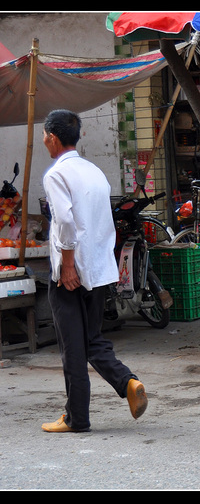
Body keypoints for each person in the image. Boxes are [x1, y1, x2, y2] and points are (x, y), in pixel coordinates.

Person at [40, 109, 147, 433]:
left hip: (72, 271)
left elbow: (66, 222)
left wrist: (69, 264)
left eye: (45, 135)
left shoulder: (56, 175)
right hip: (99, 269)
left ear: (53, 138)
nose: (44, 141)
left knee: (73, 347)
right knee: (91, 339)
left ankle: (77, 419)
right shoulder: (94, 172)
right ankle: (127, 382)